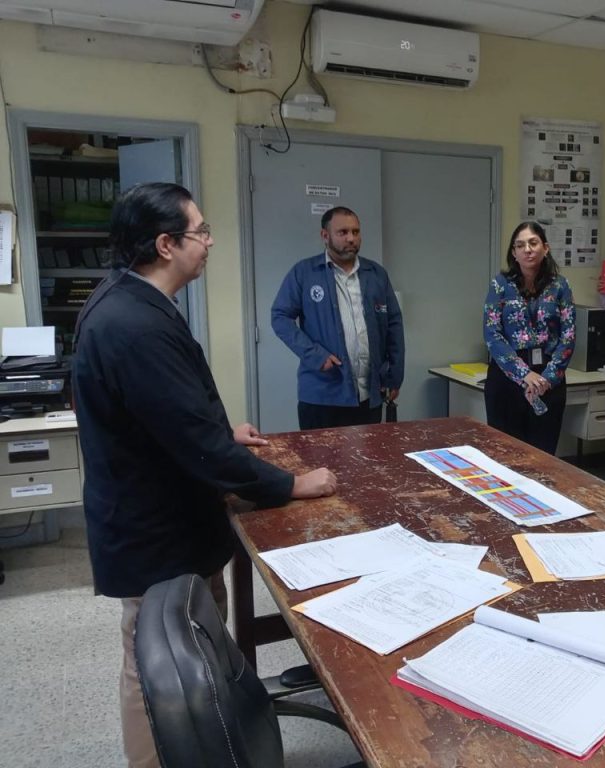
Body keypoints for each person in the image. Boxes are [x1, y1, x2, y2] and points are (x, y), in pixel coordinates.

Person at [72, 182, 338, 768]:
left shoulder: (132, 301)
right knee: (158, 670)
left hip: (163, 518)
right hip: (156, 534)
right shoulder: (133, 324)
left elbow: (164, 417)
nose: (210, 242)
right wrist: (290, 484)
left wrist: (220, 433)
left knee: (188, 654)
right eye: (201, 231)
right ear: (165, 244)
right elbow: (197, 448)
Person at [271, 206, 405, 429]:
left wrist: (395, 375)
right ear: (325, 235)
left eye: (355, 232)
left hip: (369, 394)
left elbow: (394, 324)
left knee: (368, 451)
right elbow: (280, 317)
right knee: (320, 452)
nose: (351, 238)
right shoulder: (304, 273)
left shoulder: (376, 274)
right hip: (322, 395)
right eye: (343, 232)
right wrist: (314, 354)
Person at [483, 221, 576, 454]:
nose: (527, 249)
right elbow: (492, 334)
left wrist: (546, 379)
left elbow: (568, 335)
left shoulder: (560, 285)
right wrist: (524, 375)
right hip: (507, 379)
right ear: (514, 253)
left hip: (548, 378)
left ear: (545, 248)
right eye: (520, 245)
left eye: (533, 243)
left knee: (542, 456)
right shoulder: (500, 285)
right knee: (505, 456)